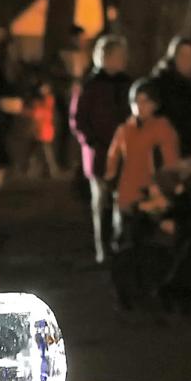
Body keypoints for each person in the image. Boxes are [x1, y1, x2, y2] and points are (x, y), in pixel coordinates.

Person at [71, 35, 131, 263]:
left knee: (122, 198)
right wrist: (93, 142)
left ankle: (118, 243)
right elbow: (78, 120)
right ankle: (102, 247)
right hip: (98, 153)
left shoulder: (126, 84)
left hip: (123, 153)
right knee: (101, 199)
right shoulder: (89, 85)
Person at [106, 79, 179, 243]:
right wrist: (111, 182)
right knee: (125, 240)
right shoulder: (124, 130)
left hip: (151, 194)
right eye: (136, 101)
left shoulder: (162, 128)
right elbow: (113, 158)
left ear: (154, 104)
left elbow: (170, 161)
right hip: (126, 194)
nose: (139, 106)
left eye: (145, 101)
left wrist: (163, 188)